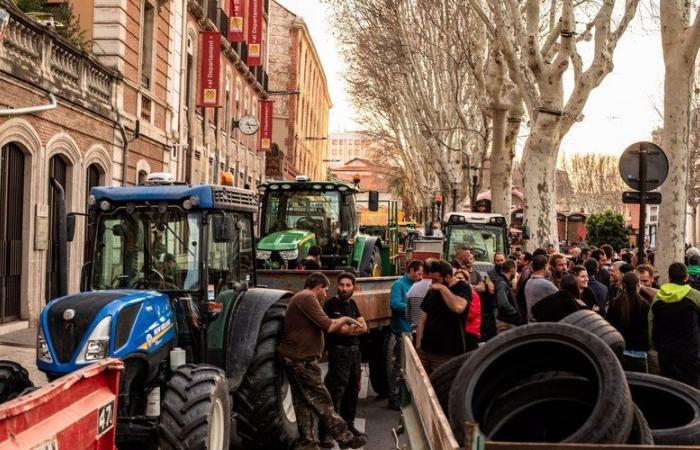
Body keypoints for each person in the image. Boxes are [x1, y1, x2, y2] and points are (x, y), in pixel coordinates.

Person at [277, 272, 368, 449]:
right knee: (323, 400)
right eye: (325, 290)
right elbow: (330, 326)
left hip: (297, 359)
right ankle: (345, 437)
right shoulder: (307, 298)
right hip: (301, 360)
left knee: (302, 402)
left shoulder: (303, 298)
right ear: (318, 287)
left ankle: (307, 442)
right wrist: (346, 319)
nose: (326, 294)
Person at [320, 273, 369, 447]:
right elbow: (344, 331)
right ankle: (325, 432)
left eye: (348, 285)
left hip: (355, 353)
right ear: (337, 286)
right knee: (335, 392)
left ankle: (349, 426)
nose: (345, 288)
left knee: (352, 391)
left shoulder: (353, 304)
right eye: (342, 285)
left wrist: (353, 327)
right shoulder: (331, 305)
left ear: (353, 287)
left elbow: (364, 327)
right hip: (339, 354)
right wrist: (355, 327)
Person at [416, 260, 473, 374]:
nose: (433, 282)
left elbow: (458, 307)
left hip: (446, 354)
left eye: (436, 279)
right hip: (426, 351)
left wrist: (443, 289)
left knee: (441, 389)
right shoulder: (433, 290)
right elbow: (422, 319)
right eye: (432, 279)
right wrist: (418, 347)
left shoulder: (462, 288)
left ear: (448, 276)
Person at [650, 263, 700, 388]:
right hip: (690, 353)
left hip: (665, 352)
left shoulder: (658, 298)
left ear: (668, 277)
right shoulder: (695, 296)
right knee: (691, 389)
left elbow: (651, 324)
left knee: (669, 388)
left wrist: (655, 346)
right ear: (686, 277)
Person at [387, 260, 424, 410]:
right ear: (411, 270)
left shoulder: (417, 285)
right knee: (400, 364)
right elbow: (395, 304)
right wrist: (414, 308)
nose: (421, 277)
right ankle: (393, 396)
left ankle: (406, 396)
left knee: (412, 365)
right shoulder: (399, 285)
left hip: (414, 329)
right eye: (419, 273)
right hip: (403, 329)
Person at [607, 272, 650, 372]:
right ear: (638, 284)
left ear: (622, 285)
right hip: (639, 353)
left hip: (620, 352)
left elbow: (609, 326)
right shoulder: (644, 304)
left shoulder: (614, 303)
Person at [524, 255, 558, 322]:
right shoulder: (545, 284)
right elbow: (562, 298)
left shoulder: (529, 281)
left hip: (531, 322)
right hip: (540, 324)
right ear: (545, 266)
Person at [454, 270, 481, 346]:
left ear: (467, 281)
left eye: (460, 278)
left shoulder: (473, 295)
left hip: (470, 332)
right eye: (455, 278)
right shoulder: (454, 293)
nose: (458, 280)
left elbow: (471, 315)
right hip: (458, 332)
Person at [493, 260, 523, 328]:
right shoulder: (502, 283)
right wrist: (514, 312)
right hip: (506, 322)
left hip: (507, 321)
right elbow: (503, 302)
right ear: (512, 269)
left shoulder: (504, 282)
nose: (516, 272)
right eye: (516, 269)